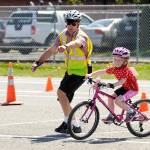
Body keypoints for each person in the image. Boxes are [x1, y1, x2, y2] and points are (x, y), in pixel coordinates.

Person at [32, 10, 93, 133]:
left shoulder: (82, 36)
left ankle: (75, 125)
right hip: (70, 71)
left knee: (61, 94)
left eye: (73, 23)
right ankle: (67, 123)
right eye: (68, 22)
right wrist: (38, 62)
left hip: (81, 71)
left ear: (78, 24)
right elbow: (51, 50)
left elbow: (77, 43)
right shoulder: (63, 35)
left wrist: (65, 46)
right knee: (64, 99)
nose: (70, 26)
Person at [86, 47, 139, 124]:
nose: (117, 62)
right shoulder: (114, 69)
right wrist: (91, 74)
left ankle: (131, 112)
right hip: (125, 87)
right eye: (115, 59)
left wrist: (112, 85)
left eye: (119, 60)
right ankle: (111, 116)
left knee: (118, 101)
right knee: (110, 98)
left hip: (132, 89)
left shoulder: (125, 70)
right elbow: (103, 71)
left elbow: (122, 81)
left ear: (125, 61)